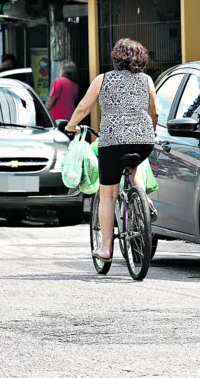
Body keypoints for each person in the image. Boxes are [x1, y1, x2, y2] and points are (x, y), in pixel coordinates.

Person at [65, 38, 158, 263]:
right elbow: (154, 112)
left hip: (113, 143)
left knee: (108, 194)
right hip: (143, 141)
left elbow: (83, 107)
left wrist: (70, 126)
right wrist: (148, 132)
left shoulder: (103, 79)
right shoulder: (147, 80)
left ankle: (106, 248)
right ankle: (142, 197)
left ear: (116, 57)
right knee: (136, 163)